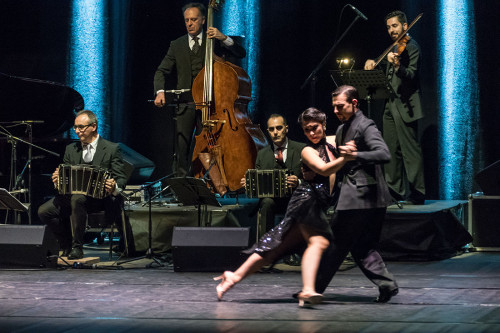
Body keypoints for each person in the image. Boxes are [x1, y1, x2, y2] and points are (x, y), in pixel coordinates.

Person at [215, 107, 350, 307]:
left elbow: (346, 136)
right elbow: (324, 168)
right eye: (306, 130)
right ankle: (308, 290)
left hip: (315, 203)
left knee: (275, 247)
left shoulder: (330, 142)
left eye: (315, 128)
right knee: (319, 242)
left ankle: (233, 277)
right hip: (306, 202)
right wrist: (346, 158)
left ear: (324, 125)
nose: (311, 133)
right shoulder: (307, 151)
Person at [314, 85, 398, 303]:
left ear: (354, 103)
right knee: (362, 246)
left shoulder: (365, 125)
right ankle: (387, 284)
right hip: (366, 198)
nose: (335, 110)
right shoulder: (344, 129)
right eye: (333, 107)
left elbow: (383, 153)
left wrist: (356, 155)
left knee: (333, 243)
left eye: (340, 106)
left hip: (360, 197)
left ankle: (313, 289)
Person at [153, 2, 246, 177]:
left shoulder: (214, 41)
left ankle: (209, 183)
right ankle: (181, 184)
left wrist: (223, 37)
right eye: (187, 20)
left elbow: (240, 53)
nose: (189, 23)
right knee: (182, 146)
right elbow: (161, 71)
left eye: (194, 19)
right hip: (186, 103)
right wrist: (160, 91)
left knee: (208, 145)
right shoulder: (177, 44)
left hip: (212, 104)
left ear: (203, 20)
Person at [38, 110, 127, 260]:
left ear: (93, 126)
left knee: (77, 199)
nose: (77, 131)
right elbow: (65, 174)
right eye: (75, 127)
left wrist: (114, 187)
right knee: (44, 211)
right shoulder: (71, 149)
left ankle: (77, 247)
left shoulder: (111, 148)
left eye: (81, 127)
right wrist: (58, 179)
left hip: (101, 200)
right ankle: (66, 245)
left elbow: (121, 178)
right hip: (74, 197)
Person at [364, 10, 425, 205]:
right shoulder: (394, 48)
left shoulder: (412, 47)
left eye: (395, 26)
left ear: (405, 26)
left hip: (406, 105)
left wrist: (398, 66)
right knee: (390, 148)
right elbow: (387, 75)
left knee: (410, 151)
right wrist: (374, 64)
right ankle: (394, 191)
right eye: (389, 27)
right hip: (390, 103)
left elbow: (412, 74)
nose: (391, 30)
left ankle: (418, 193)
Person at [242, 114, 305, 235]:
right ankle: (265, 247)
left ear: (286, 128)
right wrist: (250, 184)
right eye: (271, 129)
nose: (275, 132)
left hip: (296, 199)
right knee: (266, 202)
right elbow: (258, 186)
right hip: (273, 202)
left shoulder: (301, 149)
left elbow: (312, 179)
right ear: (268, 131)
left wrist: (299, 182)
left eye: (279, 128)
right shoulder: (262, 154)